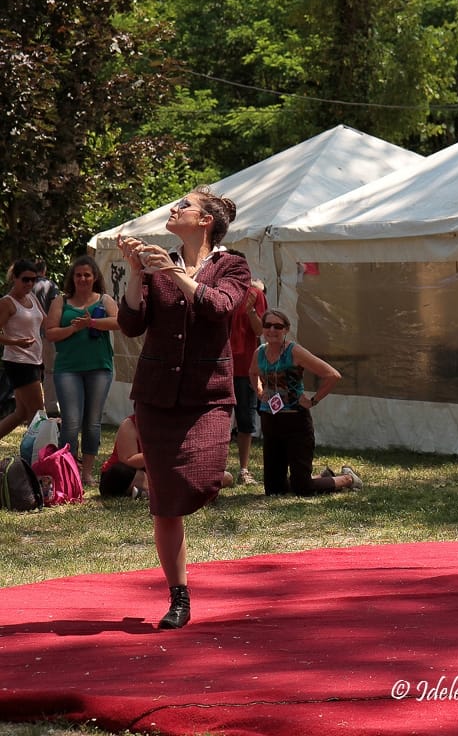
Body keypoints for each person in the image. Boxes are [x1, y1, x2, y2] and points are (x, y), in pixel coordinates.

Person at [116, 187, 250, 631]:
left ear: (206, 221)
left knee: (203, 481)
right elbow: (132, 324)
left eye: (182, 207)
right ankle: (178, 596)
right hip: (156, 395)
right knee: (165, 502)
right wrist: (137, 273)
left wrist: (172, 271)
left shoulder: (233, 265)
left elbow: (218, 306)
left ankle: (188, 490)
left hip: (208, 395)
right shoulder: (156, 267)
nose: (173, 210)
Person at [249, 309, 362, 497]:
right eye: (267, 325)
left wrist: (313, 400)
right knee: (274, 490)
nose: (272, 330)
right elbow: (252, 372)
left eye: (278, 326)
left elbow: (332, 375)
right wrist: (260, 392)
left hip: (296, 422)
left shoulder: (295, 351)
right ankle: (322, 477)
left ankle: (348, 478)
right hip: (270, 421)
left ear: (286, 329)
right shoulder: (260, 352)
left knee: (303, 489)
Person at [45, 256, 119, 485]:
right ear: (72, 278)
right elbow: (50, 333)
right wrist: (74, 328)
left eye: (87, 274)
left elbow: (119, 322)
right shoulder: (61, 301)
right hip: (68, 369)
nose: (83, 279)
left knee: (93, 422)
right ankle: (66, 472)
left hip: (99, 368)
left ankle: (86, 473)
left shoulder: (104, 300)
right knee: (71, 422)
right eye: (78, 275)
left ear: (95, 277)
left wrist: (92, 324)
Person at [228, 256, 267, 485]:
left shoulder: (255, 294)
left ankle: (243, 470)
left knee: (245, 419)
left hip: (245, 366)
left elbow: (260, 329)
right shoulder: (216, 292)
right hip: (218, 365)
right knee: (219, 420)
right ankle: (217, 468)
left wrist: (252, 309)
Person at [0, 260, 46, 440]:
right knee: (39, 416)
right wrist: (16, 342)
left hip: (34, 360)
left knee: (21, 414)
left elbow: (47, 320)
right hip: (19, 362)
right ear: (14, 278)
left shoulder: (32, 297)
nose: (29, 284)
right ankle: (41, 458)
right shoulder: (7, 302)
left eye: (33, 280)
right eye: (25, 279)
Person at [32, 260, 60, 416]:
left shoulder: (26, 286)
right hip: (46, 334)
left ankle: (31, 405)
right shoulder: (50, 285)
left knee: (32, 371)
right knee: (50, 371)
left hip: (29, 335)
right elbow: (55, 308)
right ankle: (51, 407)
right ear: (44, 270)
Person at [99, 414, 149, 499]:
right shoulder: (130, 424)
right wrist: (156, 453)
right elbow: (128, 460)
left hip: (151, 472)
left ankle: (145, 492)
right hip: (123, 474)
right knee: (119, 471)